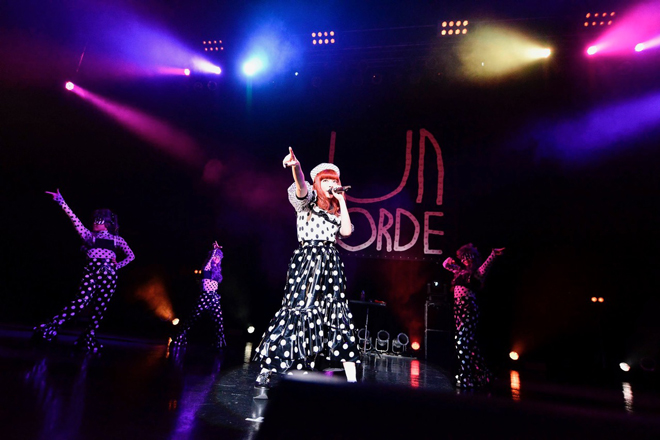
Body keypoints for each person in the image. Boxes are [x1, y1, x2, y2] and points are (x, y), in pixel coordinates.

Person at [253, 147, 360, 397]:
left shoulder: (335, 210)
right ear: (317, 183)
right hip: (308, 259)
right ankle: (268, 368)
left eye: (334, 181)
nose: (331, 185)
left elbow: (346, 232)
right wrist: (296, 167)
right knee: (298, 309)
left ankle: (353, 380)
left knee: (336, 313)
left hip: (330, 262)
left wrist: (342, 201)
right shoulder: (305, 202)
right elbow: (301, 186)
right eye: (326, 180)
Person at [33, 189, 135, 352]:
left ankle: (88, 336)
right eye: (94, 220)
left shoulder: (117, 239)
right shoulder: (89, 236)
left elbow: (131, 255)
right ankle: (51, 326)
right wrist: (61, 202)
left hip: (109, 275)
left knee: (100, 306)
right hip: (91, 272)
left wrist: (117, 266)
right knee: (80, 302)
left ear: (107, 223)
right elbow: (75, 220)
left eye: (99, 220)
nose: (95, 222)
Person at [442, 243, 504, 389]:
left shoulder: (477, 273)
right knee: (469, 343)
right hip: (458, 309)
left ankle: (466, 376)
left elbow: (487, 264)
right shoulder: (459, 271)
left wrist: (493, 254)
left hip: (469, 308)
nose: (465, 260)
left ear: (474, 258)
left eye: (468, 257)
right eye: (463, 257)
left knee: (461, 341)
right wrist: (449, 260)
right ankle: (483, 375)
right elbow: (445, 264)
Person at [170, 241, 226, 350]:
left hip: (214, 297)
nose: (216, 259)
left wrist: (217, 252)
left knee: (219, 320)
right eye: (215, 257)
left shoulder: (217, 272)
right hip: (205, 296)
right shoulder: (206, 268)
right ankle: (180, 336)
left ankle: (220, 341)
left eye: (219, 257)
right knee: (193, 317)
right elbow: (209, 261)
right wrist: (214, 250)